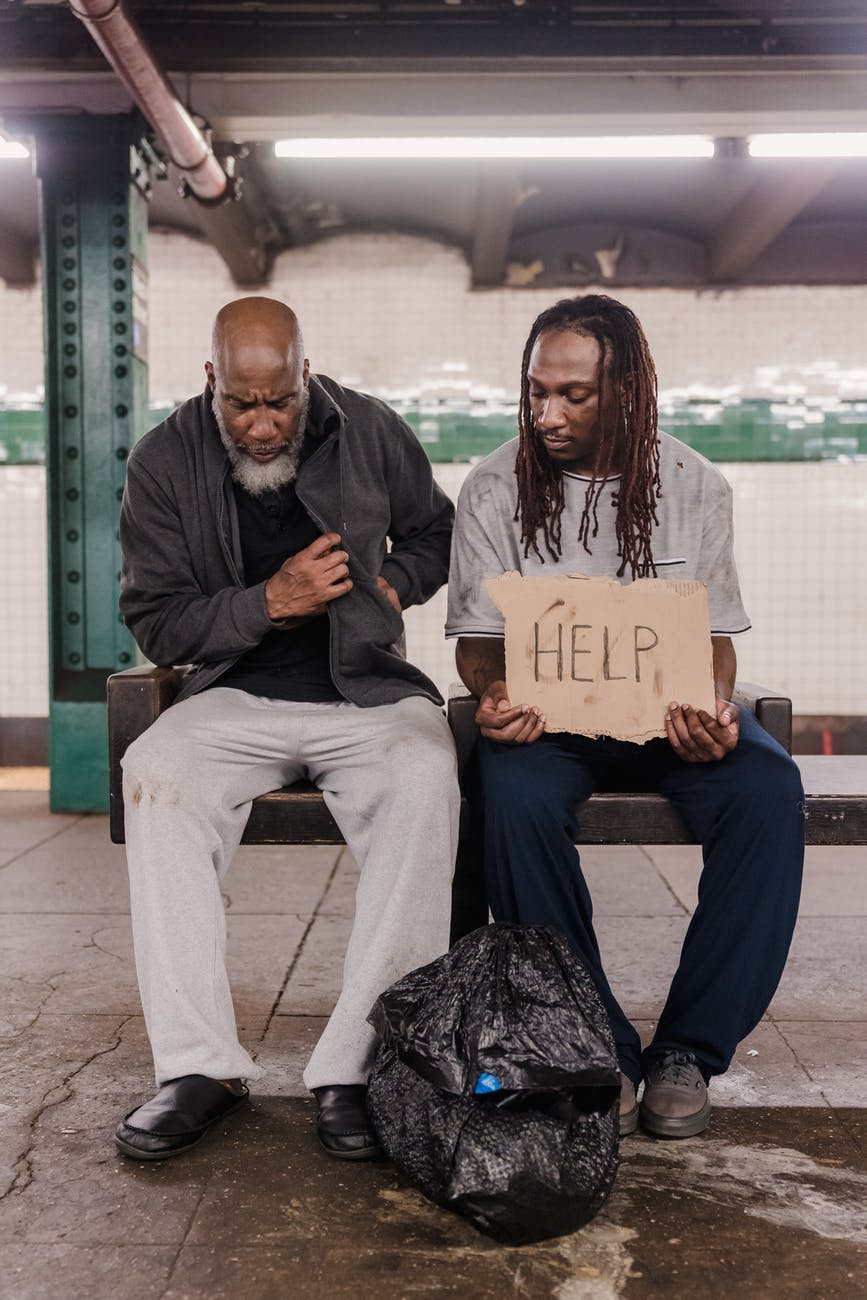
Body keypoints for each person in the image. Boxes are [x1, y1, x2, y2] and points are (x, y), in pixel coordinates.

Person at [446, 294, 804, 1139]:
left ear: (627, 394)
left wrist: (715, 708)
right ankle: (594, 1040)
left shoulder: (693, 485)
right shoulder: (494, 487)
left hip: (668, 716)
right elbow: (474, 643)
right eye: (535, 392)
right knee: (512, 794)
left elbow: (714, 639)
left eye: (572, 394)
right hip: (551, 724)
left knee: (766, 788)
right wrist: (493, 698)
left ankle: (687, 1050)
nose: (546, 414)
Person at [115, 296, 459, 1162]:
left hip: (366, 692)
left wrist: (395, 584)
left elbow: (437, 528)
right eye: (242, 404)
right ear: (210, 383)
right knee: (156, 772)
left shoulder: (371, 429)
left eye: (280, 402)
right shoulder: (162, 459)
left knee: (426, 777)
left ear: (305, 376)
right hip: (235, 694)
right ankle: (197, 1068)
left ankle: (356, 1065)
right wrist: (270, 603)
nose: (263, 425)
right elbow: (157, 622)